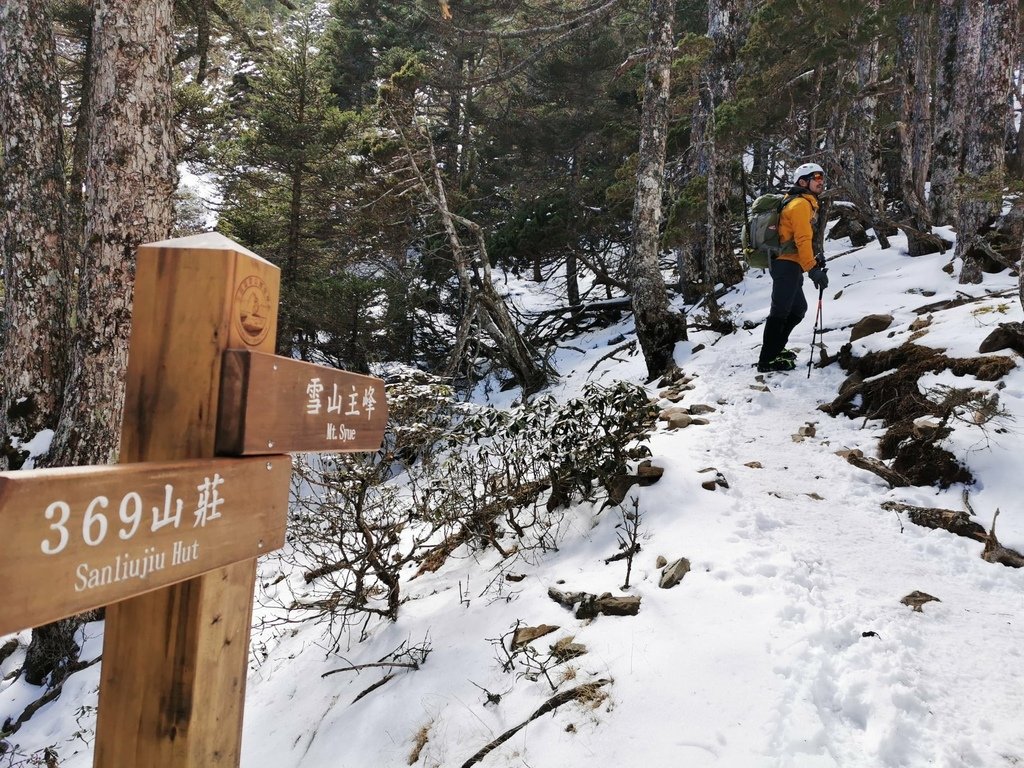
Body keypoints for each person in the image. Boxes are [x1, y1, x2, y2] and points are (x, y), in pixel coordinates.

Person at [755, 162, 829, 372]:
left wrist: (813, 261)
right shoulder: (799, 205)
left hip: (791, 263)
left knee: (798, 309)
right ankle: (766, 360)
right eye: (815, 177)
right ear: (802, 181)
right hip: (785, 264)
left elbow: (800, 240)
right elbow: (802, 239)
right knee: (780, 311)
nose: (820, 181)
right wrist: (812, 270)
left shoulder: (801, 203)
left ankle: (776, 349)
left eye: (821, 177)